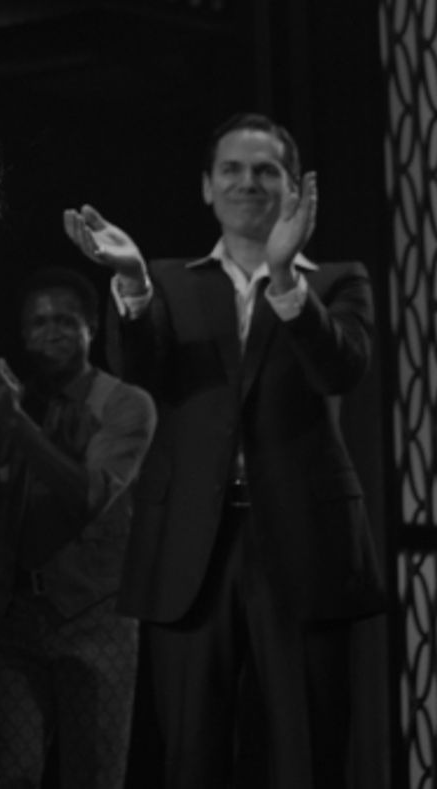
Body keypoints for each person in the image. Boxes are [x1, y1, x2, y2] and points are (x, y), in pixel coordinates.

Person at [63, 113, 384, 789]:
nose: (248, 182)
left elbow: (342, 370)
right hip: (191, 549)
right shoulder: (168, 284)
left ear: (294, 190)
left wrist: (284, 281)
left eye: (267, 170)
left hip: (304, 541)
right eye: (232, 170)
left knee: (310, 754)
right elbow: (143, 372)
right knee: (190, 757)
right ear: (207, 187)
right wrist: (130, 279)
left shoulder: (335, 281)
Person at [0, 266, 156, 789]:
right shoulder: (3, 403)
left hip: (97, 620)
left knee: (94, 774)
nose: (52, 331)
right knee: (8, 774)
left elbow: (89, 497)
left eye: (66, 320)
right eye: (38, 322)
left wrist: (17, 423)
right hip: (16, 623)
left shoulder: (125, 404)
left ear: (90, 326)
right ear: (22, 334)